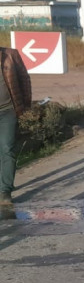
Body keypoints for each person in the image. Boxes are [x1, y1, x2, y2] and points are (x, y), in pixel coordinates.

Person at [0, 47, 32, 205]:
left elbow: (24, 79)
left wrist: (25, 105)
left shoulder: (10, 55)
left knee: (7, 148)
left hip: (8, 111)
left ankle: (5, 190)